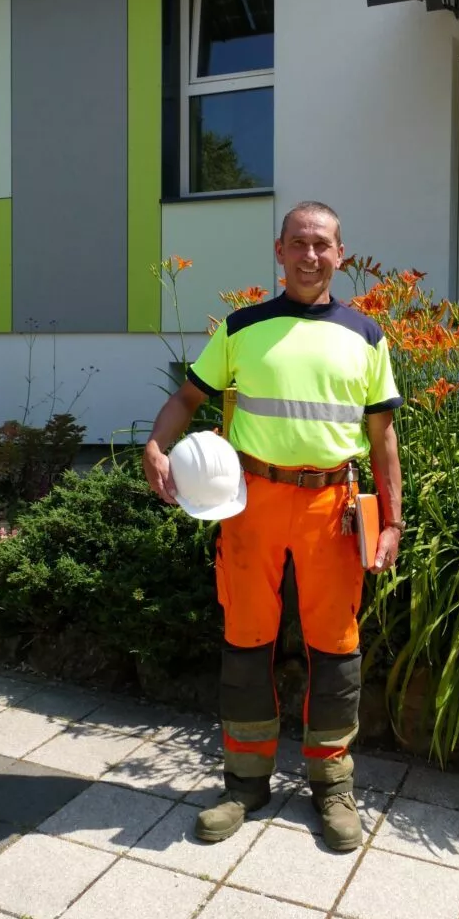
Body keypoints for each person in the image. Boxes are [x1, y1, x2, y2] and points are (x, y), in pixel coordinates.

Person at [142, 201, 403, 852]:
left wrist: (393, 521)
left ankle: (332, 784)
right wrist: (155, 446)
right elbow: (187, 398)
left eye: (323, 245)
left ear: (340, 254)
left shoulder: (367, 337)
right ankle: (245, 781)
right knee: (246, 639)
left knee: (336, 646)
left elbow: (384, 438)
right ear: (279, 251)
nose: (311, 256)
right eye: (298, 244)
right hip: (249, 500)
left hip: (331, 508)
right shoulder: (241, 327)